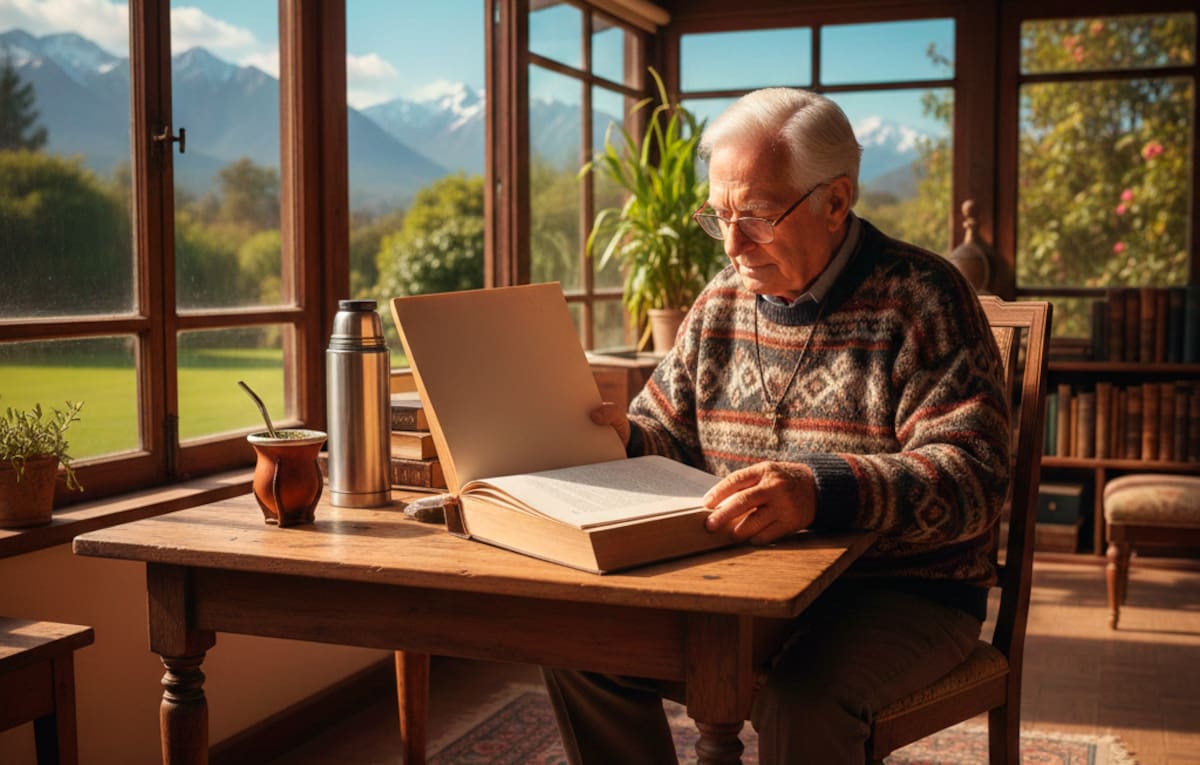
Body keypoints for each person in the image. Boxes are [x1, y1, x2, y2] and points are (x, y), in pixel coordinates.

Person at [542, 88, 1011, 764]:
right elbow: (665, 433)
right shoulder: (720, 303)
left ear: (836, 201)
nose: (733, 245)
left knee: (804, 701)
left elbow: (973, 478)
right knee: (578, 647)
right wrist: (624, 438)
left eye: (757, 216)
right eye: (720, 216)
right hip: (738, 582)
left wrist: (821, 491)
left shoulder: (924, 297)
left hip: (898, 591)